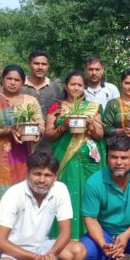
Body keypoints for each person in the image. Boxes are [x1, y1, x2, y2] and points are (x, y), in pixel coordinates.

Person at [0, 151, 86, 260]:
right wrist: (37, 259)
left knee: (78, 251)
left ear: (55, 177)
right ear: (28, 173)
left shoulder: (60, 190)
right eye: (37, 174)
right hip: (11, 251)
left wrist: (52, 254)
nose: (42, 180)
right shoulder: (14, 194)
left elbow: (65, 232)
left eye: (48, 175)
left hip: (40, 246)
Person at [45, 70, 105, 240]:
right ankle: (63, 237)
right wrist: (63, 126)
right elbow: (49, 135)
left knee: (89, 195)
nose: (76, 88)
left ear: (84, 87)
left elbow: (100, 135)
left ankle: (90, 237)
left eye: (80, 85)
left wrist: (91, 126)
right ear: (66, 86)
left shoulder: (93, 108)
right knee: (66, 195)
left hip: (88, 160)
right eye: (73, 84)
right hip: (65, 159)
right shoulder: (56, 107)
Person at [0, 64, 44, 213]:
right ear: (2, 80)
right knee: (3, 198)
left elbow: (41, 126)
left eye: (16, 80)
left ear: (23, 82)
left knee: (26, 197)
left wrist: (35, 134)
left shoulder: (30, 101)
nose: (12, 82)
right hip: (1, 158)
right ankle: (2, 234)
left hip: (26, 156)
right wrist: (8, 131)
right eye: (9, 79)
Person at [21, 50, 62, 116]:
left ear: (48, 66)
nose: (40, 67)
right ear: (29, 64)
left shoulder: (55, 88)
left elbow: (60, 111)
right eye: (36, 63)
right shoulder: (20, 86)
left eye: (44, 64)